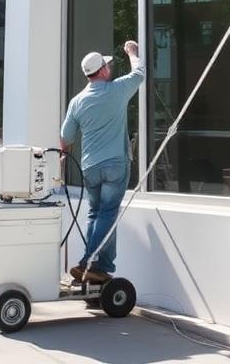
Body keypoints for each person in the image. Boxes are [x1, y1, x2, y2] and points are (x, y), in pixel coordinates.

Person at [60, 40, 144, 283]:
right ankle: (89, 261)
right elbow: (139, 73)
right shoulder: (116, 90)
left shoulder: (77, 101)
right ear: (103, 71)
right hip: (115, 165)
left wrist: (65, 153)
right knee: (107, 214)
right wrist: (132, 53)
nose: (110, 67)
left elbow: (66, 138)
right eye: (108, 65)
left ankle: (102, 267)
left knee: (96, 214)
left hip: (90, 167)